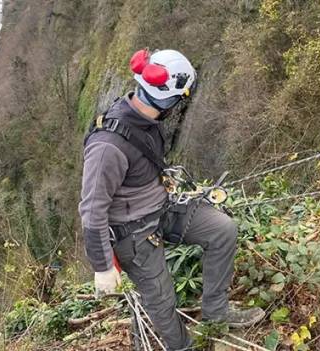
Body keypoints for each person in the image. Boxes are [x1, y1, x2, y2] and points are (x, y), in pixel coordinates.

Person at [79, 49, 264, 350]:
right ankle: (181, 347)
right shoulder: (108, 146)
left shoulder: (144, 119)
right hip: (133, 233)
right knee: (163, 302)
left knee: (222, 230)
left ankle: (215, 312)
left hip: (159, 210)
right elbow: (91, 210)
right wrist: (103, 266)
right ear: (171, 98)